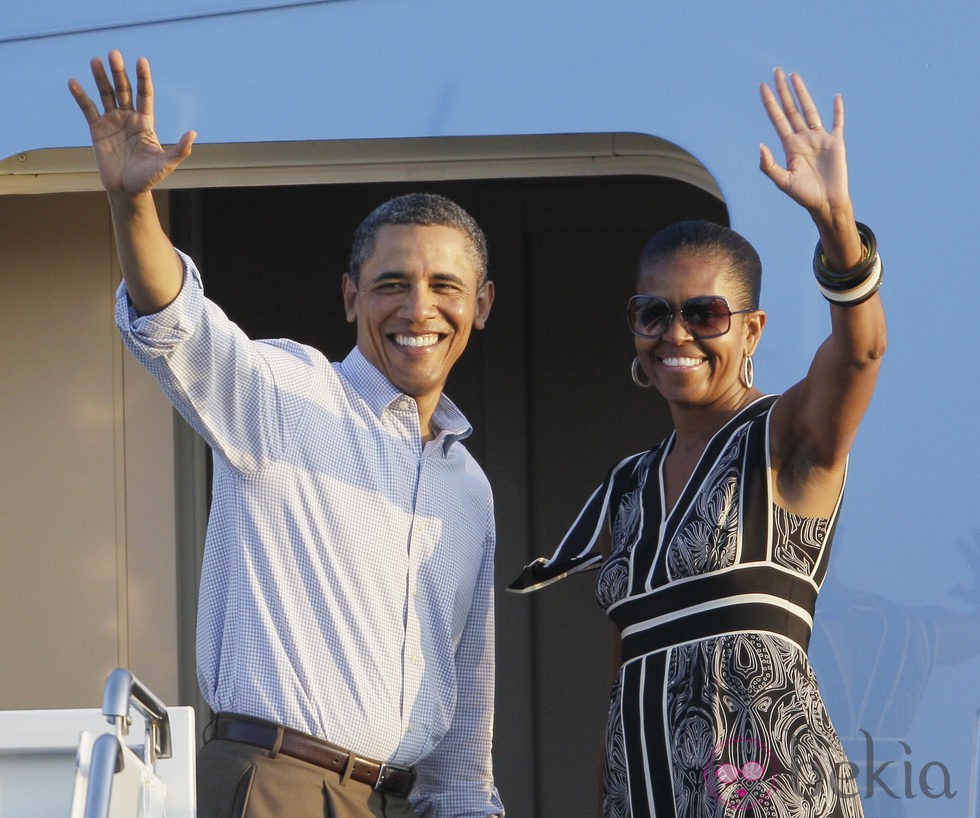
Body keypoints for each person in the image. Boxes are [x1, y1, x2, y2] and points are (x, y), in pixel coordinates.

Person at [69, 51, 504, 818]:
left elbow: (465, 734)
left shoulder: (468, 487)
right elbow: (178, 330)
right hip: (272, 786)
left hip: (387, 804)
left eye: (445, 287)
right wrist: (132, 206)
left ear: (482, 304)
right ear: (349, 297)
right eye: (391, 285)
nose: (418, 310)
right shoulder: (288, 392)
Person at [510, 68, 885, 818]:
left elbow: (861, 355)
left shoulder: (784, 439)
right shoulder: (628, 485)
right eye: (654, 313)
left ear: (752, 328)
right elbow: (625, 677)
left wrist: (837, 226)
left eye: (704, 313)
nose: (676, 334)